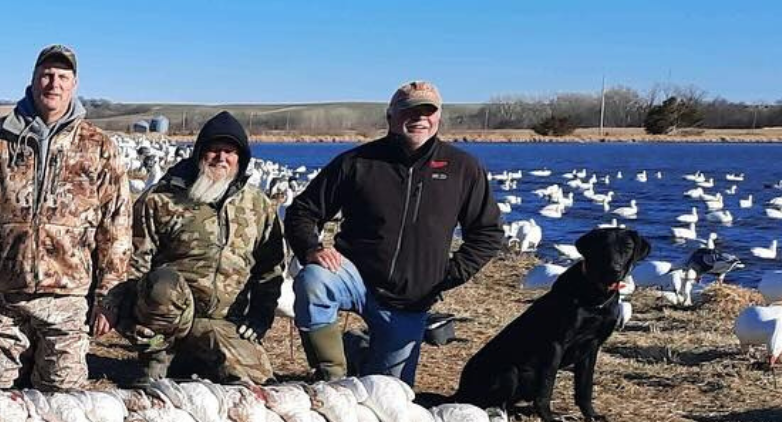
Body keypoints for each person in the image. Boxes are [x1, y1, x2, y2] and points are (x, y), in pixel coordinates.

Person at [284, 80, 504, 384]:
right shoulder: (357, 162)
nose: (419, 118)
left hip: (410, 298)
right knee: (314, 281)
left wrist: (449, 274)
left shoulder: (462, 168)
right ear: (390, 116)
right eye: (409, 111)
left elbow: (488, 232)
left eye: (428, 111)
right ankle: (332, 378)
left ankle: (356, 350)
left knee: (390, 391)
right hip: (354, 276)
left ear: (439, 116)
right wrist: (312, 248)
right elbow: (302, 211)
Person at [0, 45, 130, 392]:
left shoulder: (98, 146)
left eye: (62, 77)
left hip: (67, 300)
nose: (53, 83)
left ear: (74, 84)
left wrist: (108, 295)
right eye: (46, 75)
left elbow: (116, 227)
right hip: (3, 297)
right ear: (32, 79)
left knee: (62, 398)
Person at [120, 111, 286, 386]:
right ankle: (158, 358)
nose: (221, 158)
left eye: (229, 152)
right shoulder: (161, 199)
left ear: (241, 159)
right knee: (163, 283)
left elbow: (270, 269)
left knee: (257, 385)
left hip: (225, 323)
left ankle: (197, 361)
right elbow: (132, 264)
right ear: (199, 153)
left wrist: (260, 317)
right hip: (172, 319)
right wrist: (130, 322)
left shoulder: (258, 205)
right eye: (213, 150)